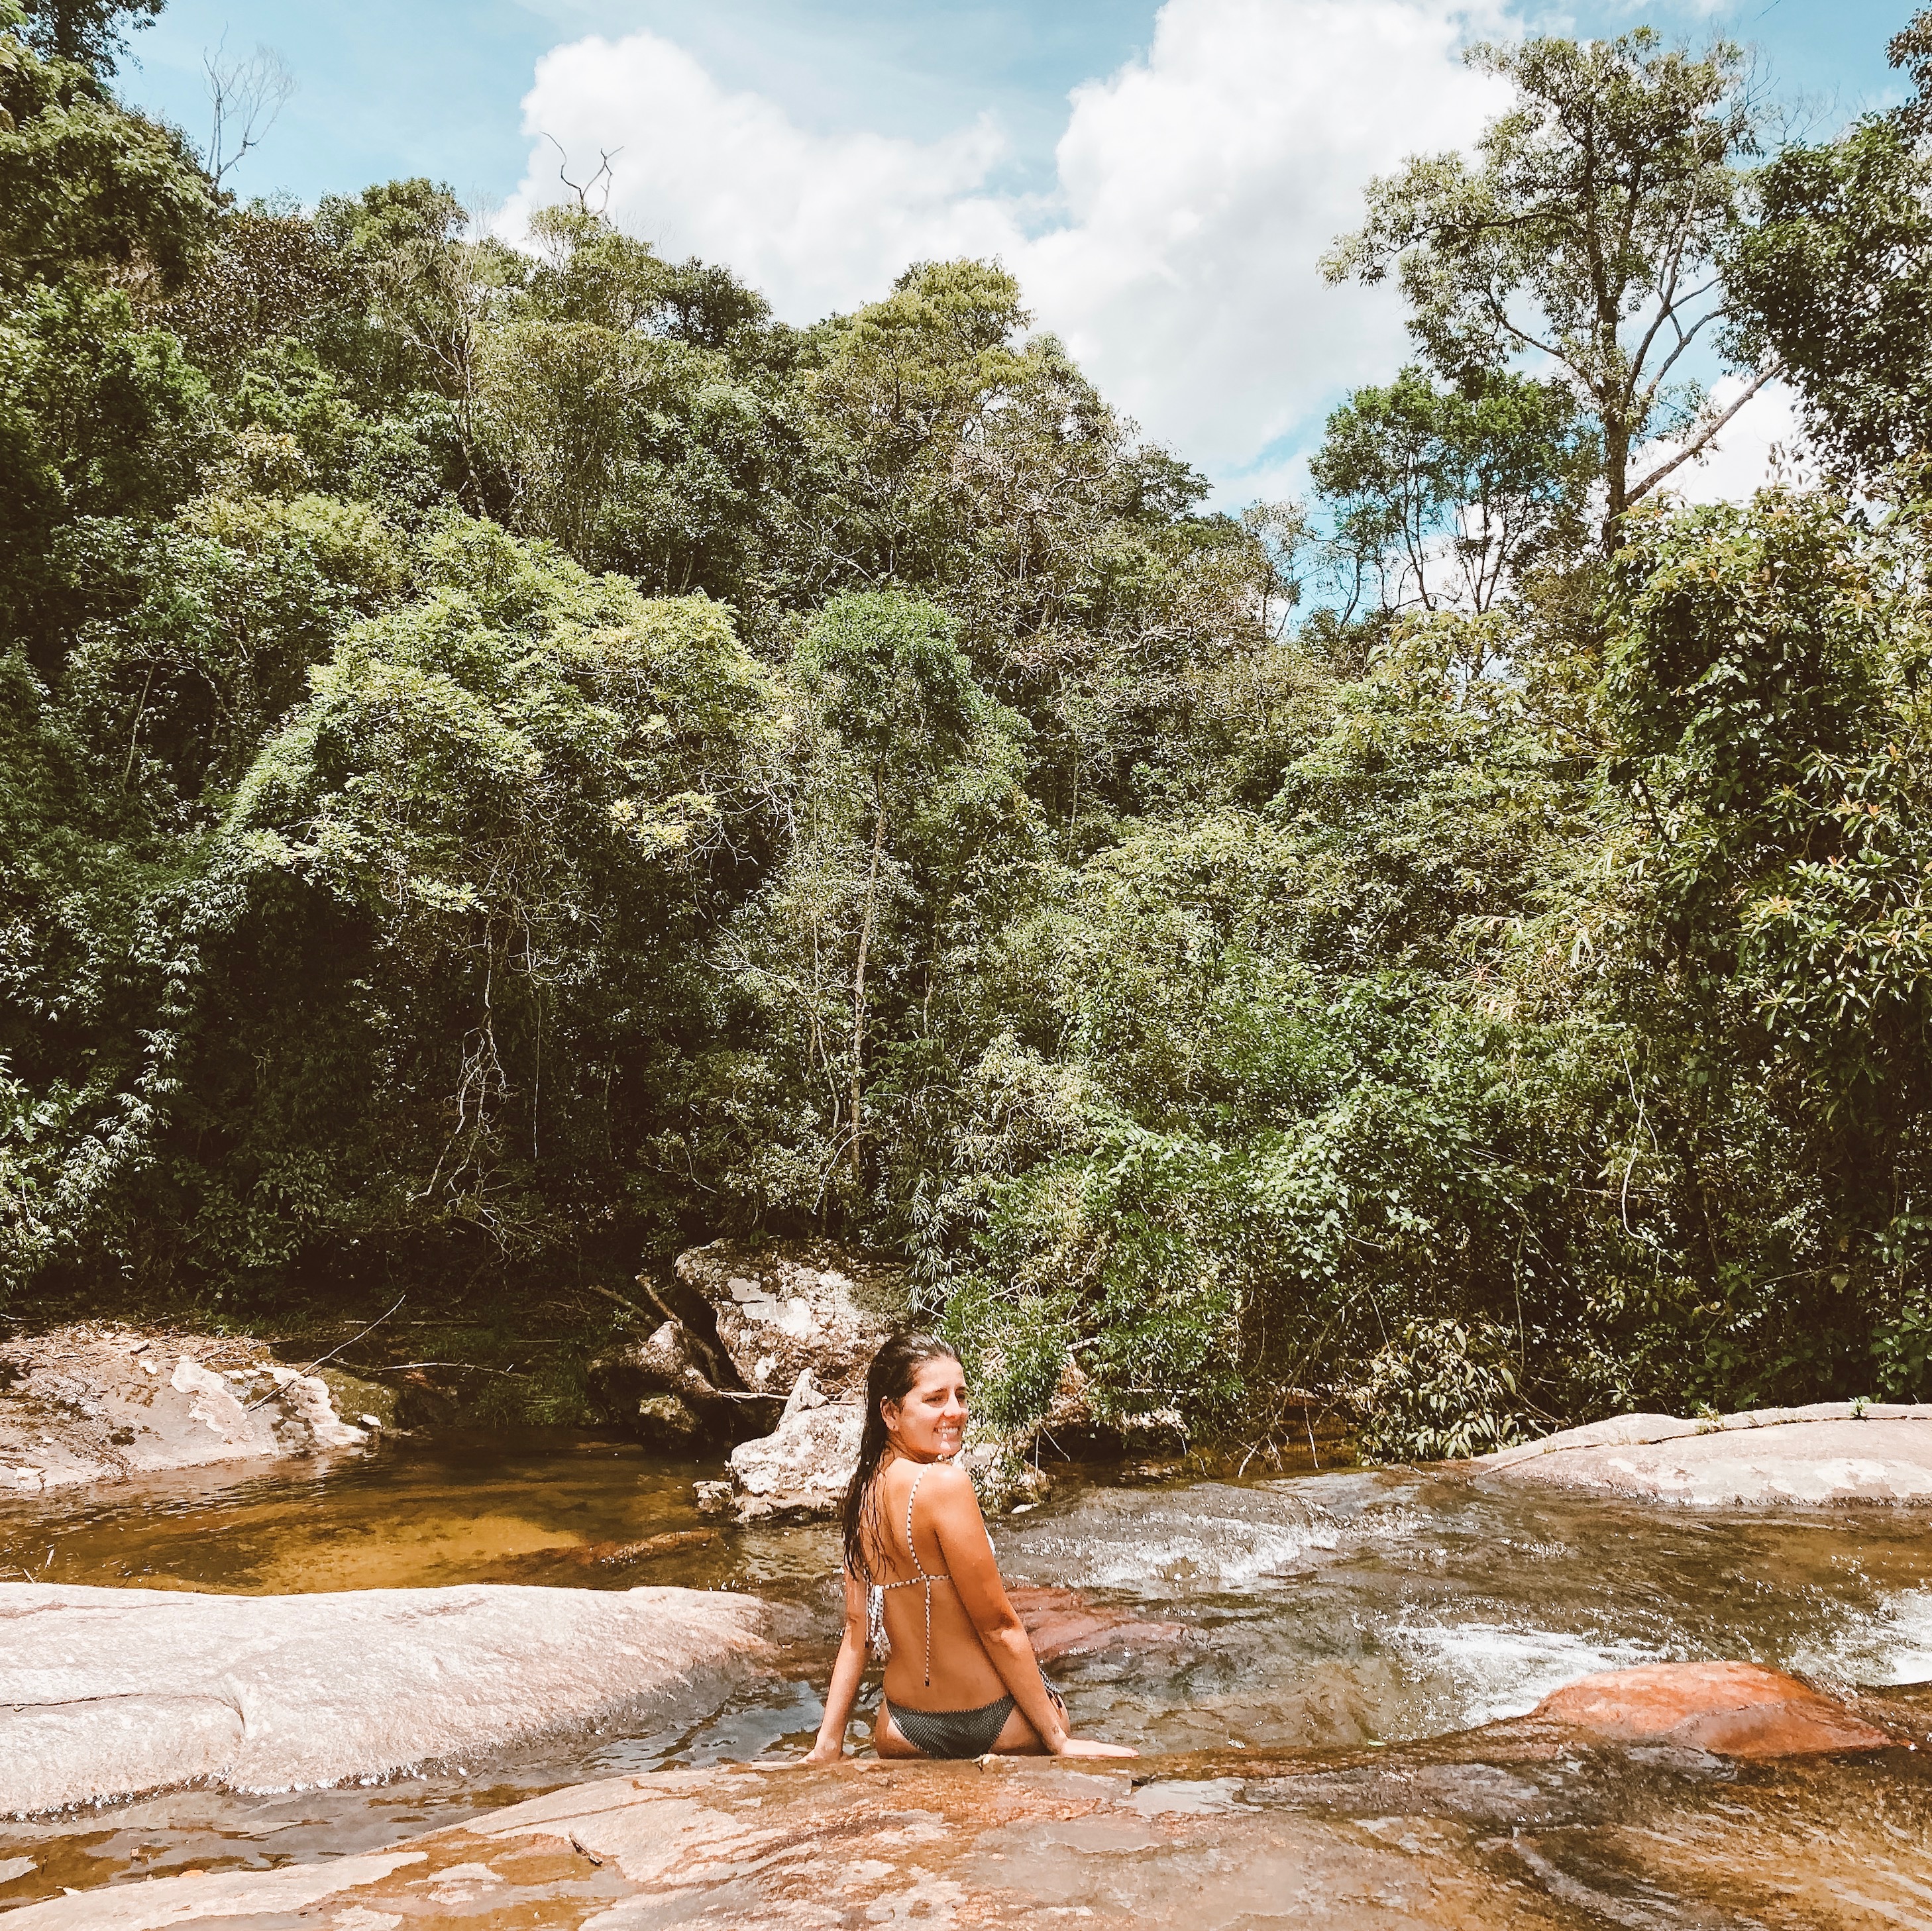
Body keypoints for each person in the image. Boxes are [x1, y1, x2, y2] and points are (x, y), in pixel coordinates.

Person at [801, 1331, 1134, 1763]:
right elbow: (997, 1624)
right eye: (935, 1398)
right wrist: (1059, 1741)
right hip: (995, 1723)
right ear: (890, 1412)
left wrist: (828, 1744)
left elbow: (856, 1633)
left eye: (961, 1395)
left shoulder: (862, 1492)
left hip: (904, 1730)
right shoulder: (944, 1483)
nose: (955, 1411)